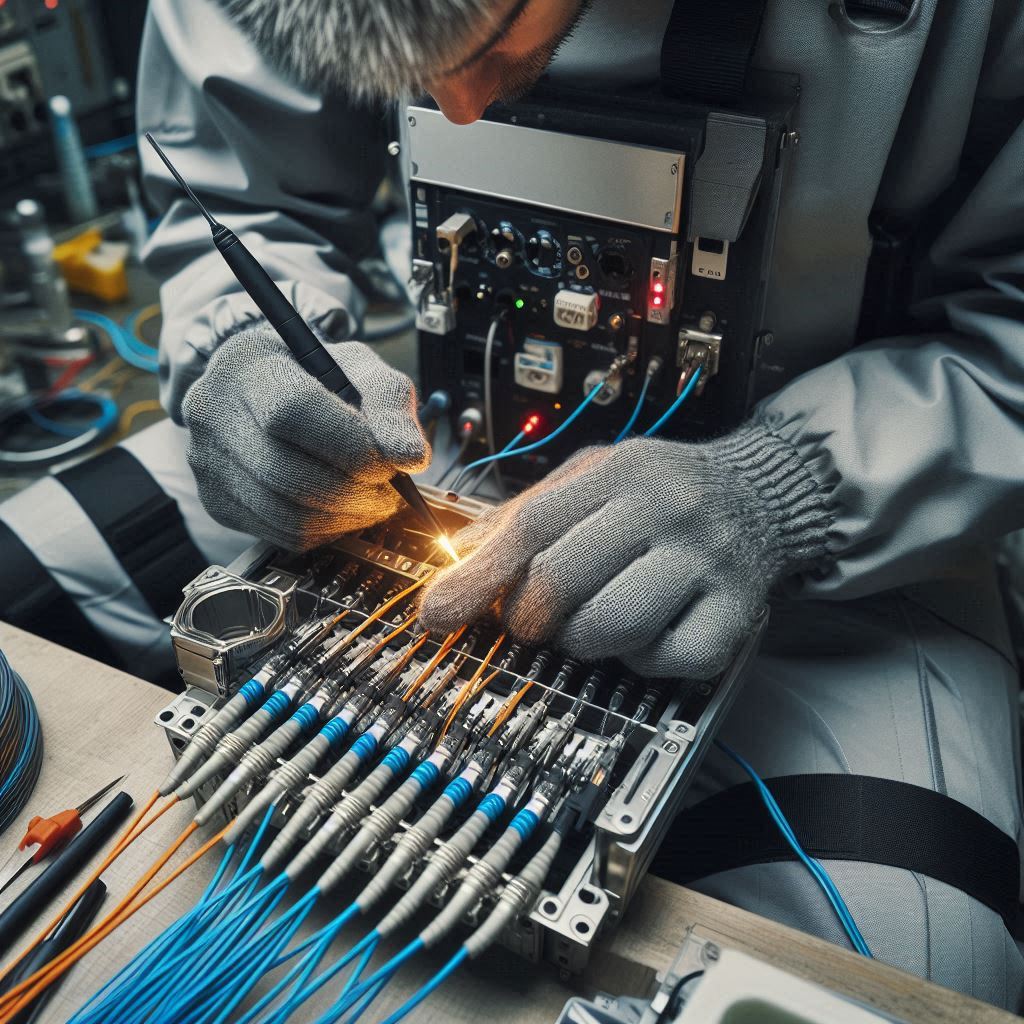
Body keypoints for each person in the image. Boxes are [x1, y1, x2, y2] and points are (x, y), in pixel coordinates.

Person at [25, 0, 1024, 1004]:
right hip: (426, 458)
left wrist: (784, 488)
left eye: (493, 30)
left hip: (852, 512)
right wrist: (240, 346)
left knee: (904, 967)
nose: (456, 107)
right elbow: (232, 197)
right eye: (403, 73)